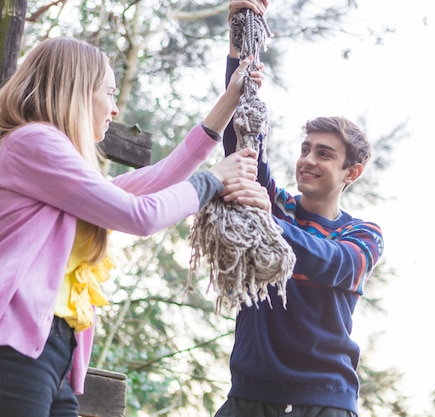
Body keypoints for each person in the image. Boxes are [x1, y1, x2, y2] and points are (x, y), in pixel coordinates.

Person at [0, 36, 269, 417]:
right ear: (76, 90)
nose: (114, 108)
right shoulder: (34, 143)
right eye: (108, 93)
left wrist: (229, 99)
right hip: (14, 348)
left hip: (50, 352)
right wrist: (212, 181)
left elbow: (155, 181)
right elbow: (139, 215)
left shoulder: (53, 165)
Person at [213, 2, 385, 416]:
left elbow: (332, 262)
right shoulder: (280, 205)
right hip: (248, 397)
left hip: (323, 401)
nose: (308, 160)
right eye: (305, 149)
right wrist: (242, 31)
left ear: (352, 172)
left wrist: (268, 223)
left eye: (324, 154)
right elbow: (242, 141)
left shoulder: (363, 236)